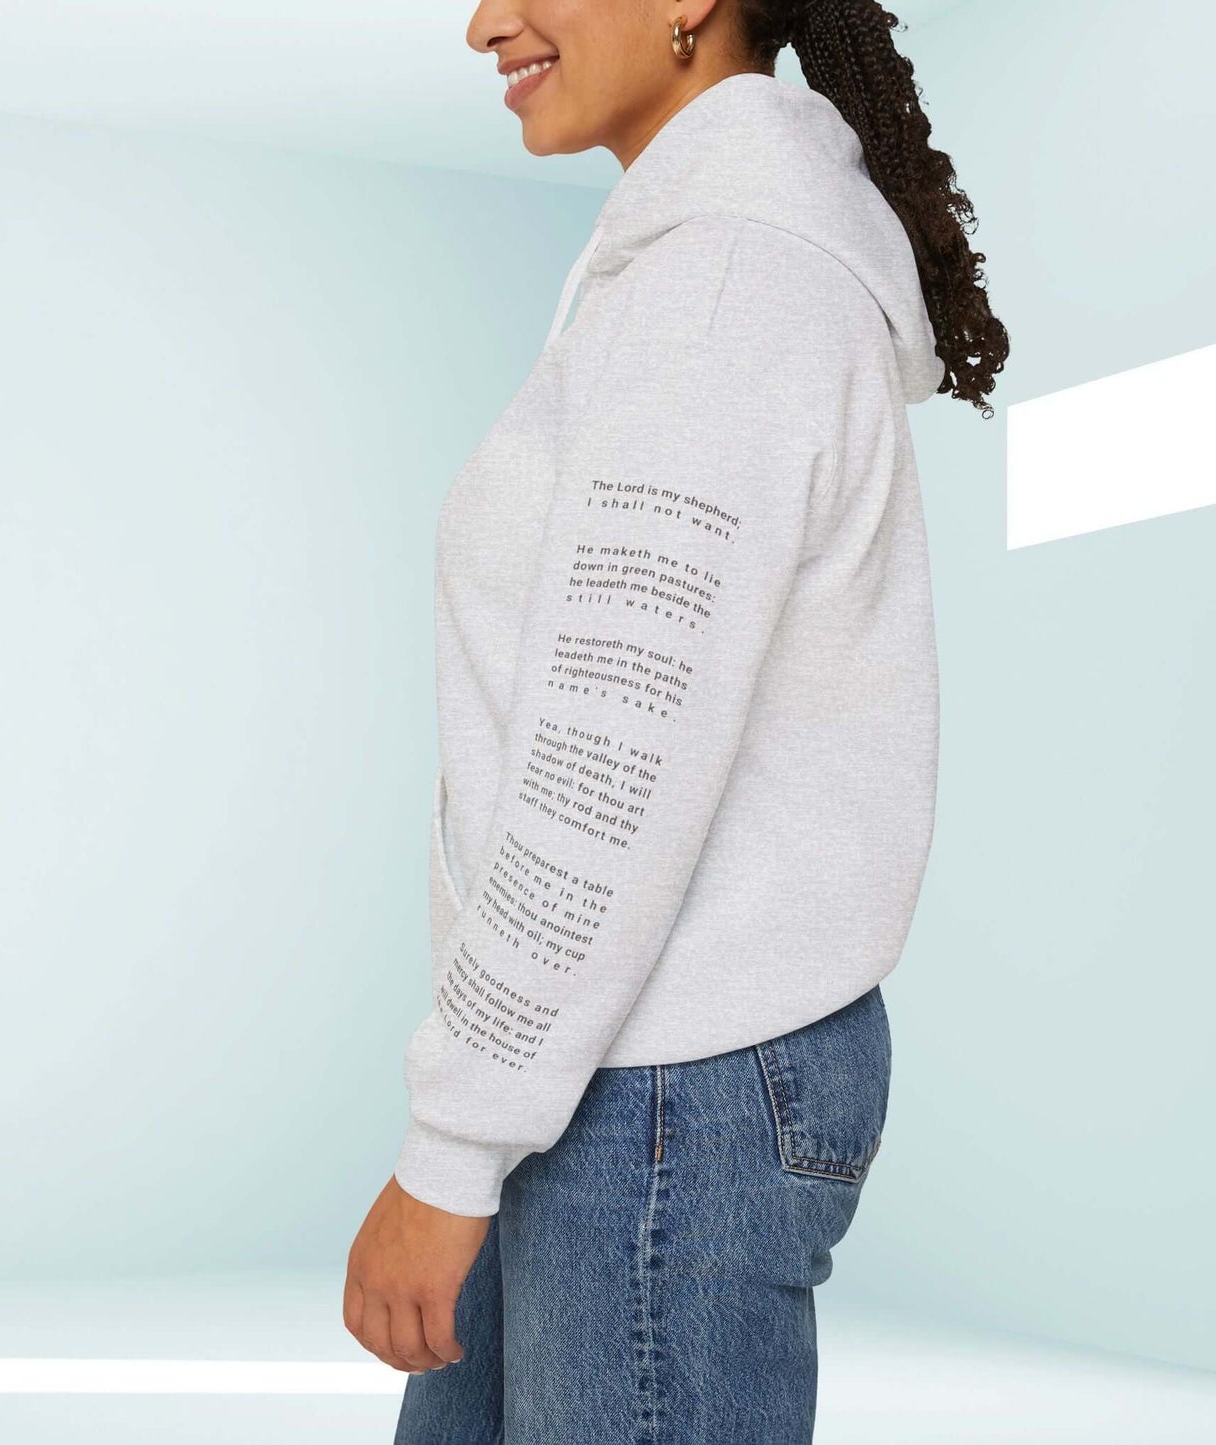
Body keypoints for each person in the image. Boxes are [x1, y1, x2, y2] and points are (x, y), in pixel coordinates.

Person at [347, 1, 1007, 1439]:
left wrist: (449, 1145)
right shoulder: (690, 267)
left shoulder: (730, 283)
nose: (482, 21)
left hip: (665, 1091)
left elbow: (605, 751)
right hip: (604, 1070)